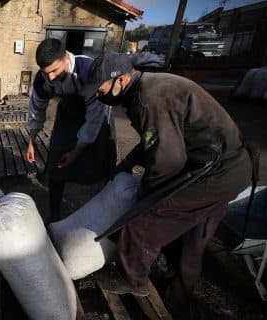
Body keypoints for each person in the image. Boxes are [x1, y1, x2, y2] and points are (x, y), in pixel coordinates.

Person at [81, 52, 252, 316]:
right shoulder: (147, 87)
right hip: (227, 168)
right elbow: (158, 136)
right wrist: (128, 162)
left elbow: (168, 160)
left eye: (102, 88)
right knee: (190, 238)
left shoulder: (148, 99)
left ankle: (131, 279)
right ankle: (176, 298)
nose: (100, 95)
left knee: (143, 222)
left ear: (121, 80)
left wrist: (146, 195)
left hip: (214, 173)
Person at [25, 38, 117, 223]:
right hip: (68, 112)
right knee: (57, 161)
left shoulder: (90, 72)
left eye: (54, 71)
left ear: (66, 57)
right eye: (46, 72)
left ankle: (106, 209)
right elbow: (36, 108)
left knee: (102, 158)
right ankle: (54, 213)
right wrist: (31, 141)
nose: (50, 77)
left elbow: (94, 118)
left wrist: (77, 150)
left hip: (96, 113)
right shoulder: (43, 78)